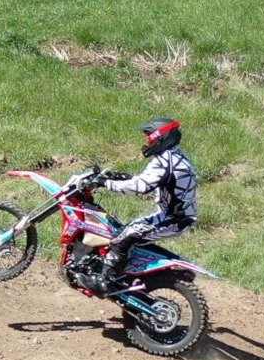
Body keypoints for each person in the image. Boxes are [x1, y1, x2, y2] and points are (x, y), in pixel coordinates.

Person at [80, 118, 197, 297]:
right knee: (122, 232)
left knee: (122, 238)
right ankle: (124, 276)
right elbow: (149, 180)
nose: (147, 141)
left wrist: (105, 183)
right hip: (173, 215)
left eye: (150, 137)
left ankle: (104, 282)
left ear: (161, 137)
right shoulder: (173, 156)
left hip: (173, 219)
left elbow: (140, 187)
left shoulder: (166, 160)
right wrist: (121, 178)